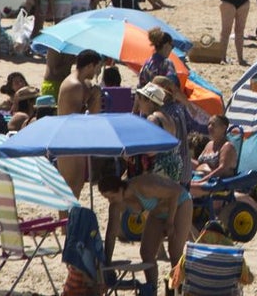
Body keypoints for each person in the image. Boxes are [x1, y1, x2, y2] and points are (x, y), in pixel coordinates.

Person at [99, 172, 194, 290]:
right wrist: (108, 262)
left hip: (180, 203)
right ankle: (151, 289)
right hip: (158, 213)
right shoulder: (116, 204)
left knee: (174, 252)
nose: (110, 201)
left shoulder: (142, 186)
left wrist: (170, 222)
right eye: (107, 198)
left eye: (111, 197)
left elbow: (175, 192)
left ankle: (180, 289)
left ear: (120, 189)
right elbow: (111, 234)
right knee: (146, 253)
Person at [56, 49, 102, 198]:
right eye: (97, 67)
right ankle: (66, 214)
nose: (98, 71)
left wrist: (95, 97)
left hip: (76, 138)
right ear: (90, 66)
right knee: (69, 185)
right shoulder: (74, 85)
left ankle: (70, 213)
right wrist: (91, 98)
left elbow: (93, 116)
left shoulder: (83, 84)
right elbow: (75, 119)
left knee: (78, 183)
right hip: (67, 139)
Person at [191, 114, 238, 196]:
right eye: (209, 124)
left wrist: (203, 179)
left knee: (183, 189)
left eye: (213, 124)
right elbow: (199, 164)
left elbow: (222, 169)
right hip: (199, 178)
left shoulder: (227, 146)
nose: (209, 127)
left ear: (223, 128)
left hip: (215, 184)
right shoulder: (209, 144)